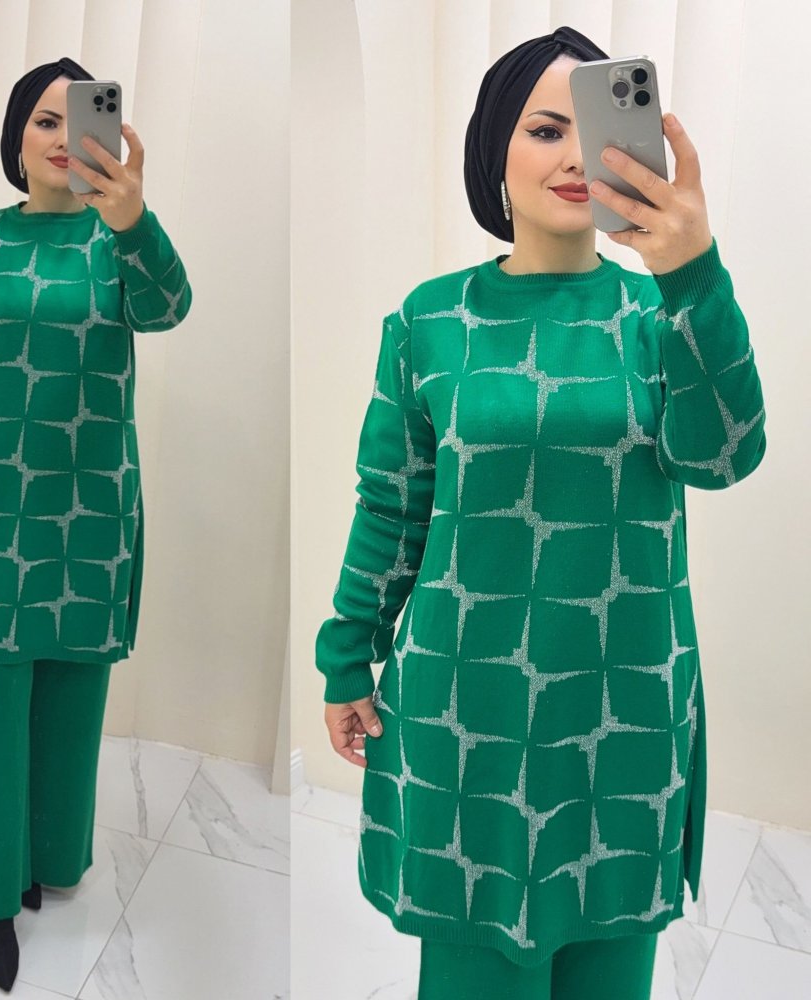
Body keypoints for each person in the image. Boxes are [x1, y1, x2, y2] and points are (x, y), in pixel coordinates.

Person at [315, 25, 766, 1000]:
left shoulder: (661, 315)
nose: (573, 157)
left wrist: (693, 271)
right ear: (494, 150)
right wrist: (348, 651)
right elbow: (392, 505)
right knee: (477, 965)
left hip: (624, 708)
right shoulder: (431, 320)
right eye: (544, 129)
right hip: (465, 706)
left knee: (610, 957)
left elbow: (727, 453)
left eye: (593, 130)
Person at [0, 56, 191, 992]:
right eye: (44, 121)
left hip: (89, 500)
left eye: (80, 119)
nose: (63, 138)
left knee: (70, 687)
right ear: (17, 138)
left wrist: (133, 218)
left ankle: (44, 857)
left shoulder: (120, 240)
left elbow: (169, 309)